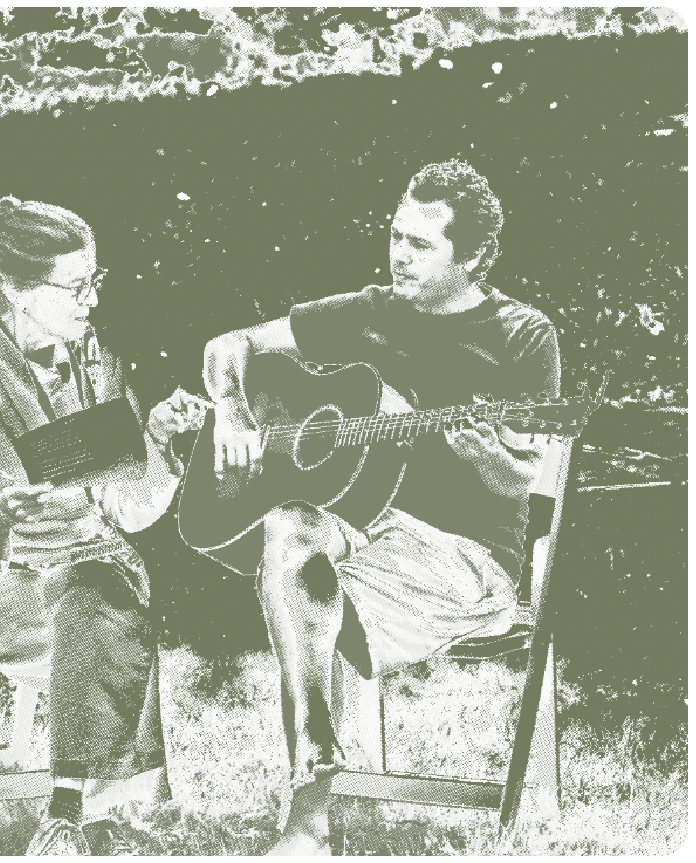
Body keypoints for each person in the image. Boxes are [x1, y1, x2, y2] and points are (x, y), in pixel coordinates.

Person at [202, 160, 561, 855]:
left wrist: (482, 454)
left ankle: (305, 821)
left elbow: (521, 478)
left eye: (420, 244)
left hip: (462, 556)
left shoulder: (522, 334)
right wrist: (230, 411)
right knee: (285, 524)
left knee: (304, 592)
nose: (397, 254)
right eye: (395, 235)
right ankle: (316, 740)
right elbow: (230, 344)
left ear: (475, 255)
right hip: (365, 525)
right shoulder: (369, 311)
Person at [0, 196, 205, 855]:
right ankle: (96, 816)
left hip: (80, 573)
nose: (90, 302)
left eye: (94, 282)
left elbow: (127, 509)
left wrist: (160, 445)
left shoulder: (94, 362)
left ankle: (69, 814)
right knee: (104, 602)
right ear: (12, 286)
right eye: (75, 286)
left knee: (99, 589)